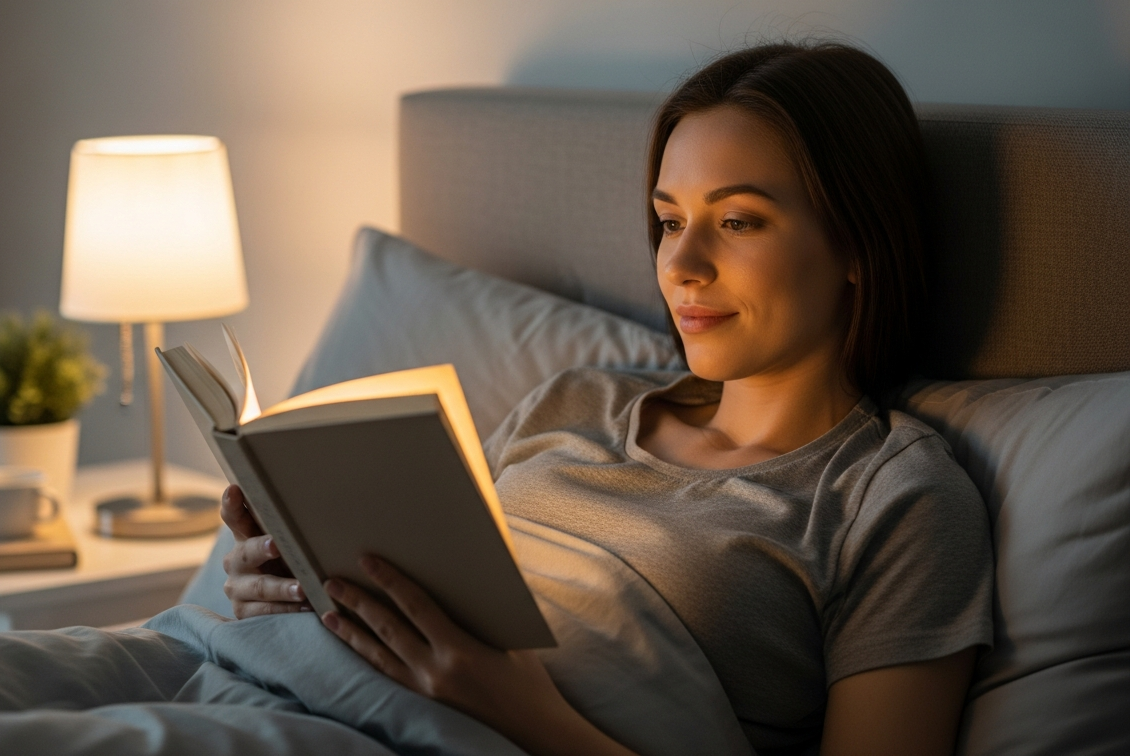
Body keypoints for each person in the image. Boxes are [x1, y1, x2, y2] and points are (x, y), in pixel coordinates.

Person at [220, 41, 994, 756]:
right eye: (669, 220)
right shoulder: (575, 400)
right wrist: (302, 601)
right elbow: (435, 597)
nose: (681, 263)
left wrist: (525, 714)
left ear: (858, 242)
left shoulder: (896, 500)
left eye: (737, 221)